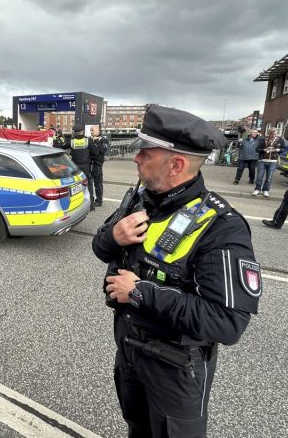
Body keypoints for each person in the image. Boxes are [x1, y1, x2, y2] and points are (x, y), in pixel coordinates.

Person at [94, 105, 261, 437]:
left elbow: (227, 323)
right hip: (129, 349)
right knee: (137, 427)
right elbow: (100, 249)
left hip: (176, 368)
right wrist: (113, 236)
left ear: (176, 164)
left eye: (145, 151)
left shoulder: (221, 227)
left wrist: (141, 293)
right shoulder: (140, 197)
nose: (135, 157)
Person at [69, 124, 97, 211]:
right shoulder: (88, 140)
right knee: (89, 185)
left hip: (75, 168)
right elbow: (95, 152)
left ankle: (77, 204)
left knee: (76, 187)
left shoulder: (72, 141)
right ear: (82, 131)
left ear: (74, 132)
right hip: (86, 167)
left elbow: (61, 146)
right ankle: (91, 205)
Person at [253, 127, 285, 197]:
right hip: (262, 160)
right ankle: (257, 189)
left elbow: (283, 149)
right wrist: (264, 149)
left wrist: (277, 150)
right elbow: (257, 149)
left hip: (273, 161)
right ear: (269, 134)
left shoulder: (280, 140)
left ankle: (266, 190)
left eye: (275, 134)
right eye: (272, 134)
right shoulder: (263, 139)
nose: (274, 136)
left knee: (269, 177)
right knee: (259, 176)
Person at [90, 125, 110, 207]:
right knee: (89, 183)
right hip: (89, 164)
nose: (91, 132)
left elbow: (103, 150)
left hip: (97, 165)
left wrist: (97, 141)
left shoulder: (104, 140)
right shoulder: (89, 139)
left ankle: (99, 200)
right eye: (90, 130)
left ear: (98, 131)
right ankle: (90, 199)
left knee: (98, 183)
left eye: (92, 130)